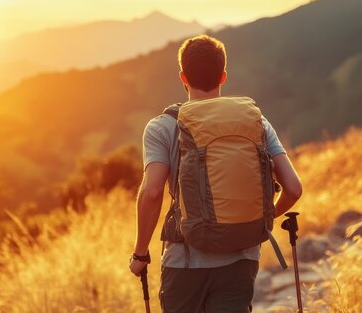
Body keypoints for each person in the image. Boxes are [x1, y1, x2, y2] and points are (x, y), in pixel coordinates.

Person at [128, 34, 303, 312]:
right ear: (223, 76)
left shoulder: (161, 127)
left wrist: (140, 253)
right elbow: (293, 188)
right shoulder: (256, 121)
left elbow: (151, 192)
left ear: (183, 77)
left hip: (185, 261)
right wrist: (262, 217)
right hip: (241, 257)